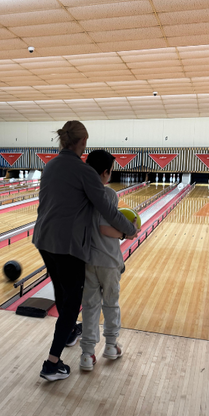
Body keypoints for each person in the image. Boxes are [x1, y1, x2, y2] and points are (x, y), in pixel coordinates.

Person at [32, 120, 136, 382]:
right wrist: (130, 231)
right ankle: (52, 364)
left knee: (62, 292)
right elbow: (107, 209)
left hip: (44, 239)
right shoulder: (84, 171)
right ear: (82, 143)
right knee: (72, 305)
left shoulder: (51, 165)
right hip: (68, 246)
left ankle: (68, 334)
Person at [79, 149, 127, 372]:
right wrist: (124, 233)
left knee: (89, 306)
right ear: (106, 172)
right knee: (110, 304)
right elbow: (105, 228)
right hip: (109, 261)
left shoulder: (80, 194)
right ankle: (110, 345)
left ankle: (87, 354)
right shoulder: (108, 195)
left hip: (88, 260)